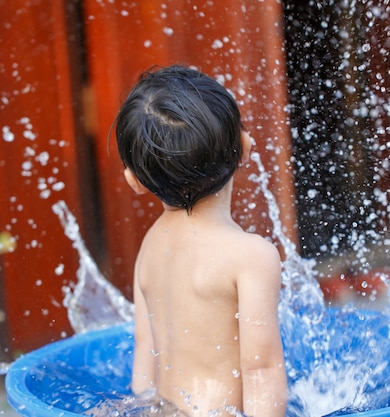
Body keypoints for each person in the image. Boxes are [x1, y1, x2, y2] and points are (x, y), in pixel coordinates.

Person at [114, 65, 288, 416]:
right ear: (244, 145)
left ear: (134, 180)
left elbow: (145, 357)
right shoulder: (252, 255)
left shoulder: (149, 246)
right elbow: (262, 369)